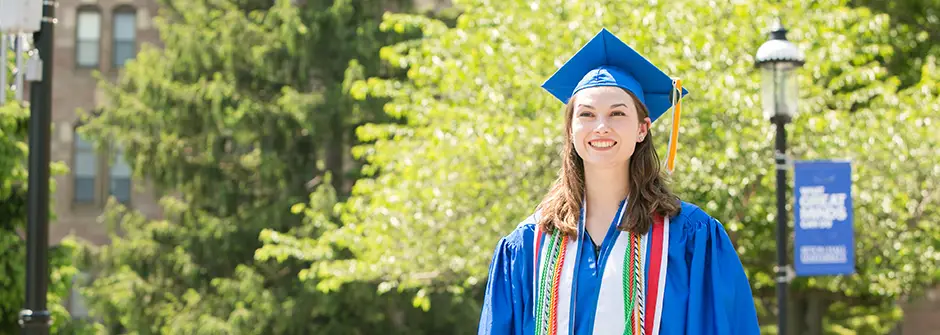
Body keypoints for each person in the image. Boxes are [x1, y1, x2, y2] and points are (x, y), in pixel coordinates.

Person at [477, 28, 761, 335]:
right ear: (571, 130)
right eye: (586, 114)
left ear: (642, 129)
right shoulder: (528, 246)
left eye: (617, 113)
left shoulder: (690, 238)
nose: (601, 127)